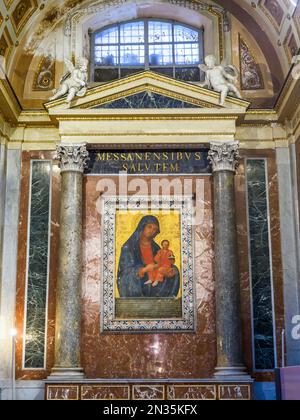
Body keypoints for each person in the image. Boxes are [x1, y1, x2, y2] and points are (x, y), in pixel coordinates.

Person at [117, 216, 180, 298]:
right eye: (149, 227)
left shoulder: (156, 248)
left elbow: (163, 262)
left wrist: (167, 270)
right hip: (139, 284)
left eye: (155, 229)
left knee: (174, 269)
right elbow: (123, 274)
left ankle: (166, 300)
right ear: (142, 227)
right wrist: (144, 270)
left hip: (155, 281)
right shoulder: (129, 247)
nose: (152, 231)